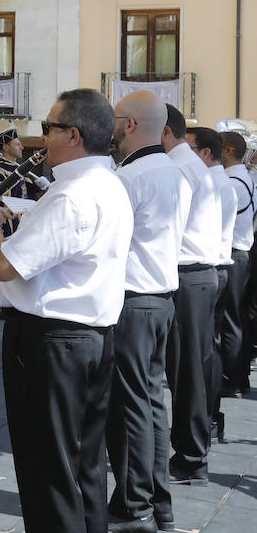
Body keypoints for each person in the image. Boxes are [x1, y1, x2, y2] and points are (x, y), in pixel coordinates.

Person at [0, 89, 131, 533]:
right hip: (88, 339)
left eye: (48, 128)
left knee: (48, 471)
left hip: (53, 344)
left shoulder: (71, 195)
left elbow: (1, 267)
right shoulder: (106, 184)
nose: (43, 139)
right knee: (83, 465)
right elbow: (29, 261)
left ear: (72, 135)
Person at [105, 90, 184, 533]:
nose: (112, 128)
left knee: (133, 407)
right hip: (160, 300)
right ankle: (158, 502)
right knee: (152, 403)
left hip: (135, 302)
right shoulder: (172, 171)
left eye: (116, 119)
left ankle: (135, 502)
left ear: (130, 125)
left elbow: (108, 240)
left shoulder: (131, 177)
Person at [161, 104, 223, 486]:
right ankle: (193, 450)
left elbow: (167, 227)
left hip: (189, 274)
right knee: (191, 368)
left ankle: (190, 456)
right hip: (198, 274)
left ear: (164, 131)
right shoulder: (190, 165)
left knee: (185, 371)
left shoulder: (181, 167)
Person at [188, 127, 237, 441]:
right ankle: (209, 418)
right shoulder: (219, 181)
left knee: (202, 355)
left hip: (211, 269)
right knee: (207, 351)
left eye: (190, 148)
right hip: (216, 268)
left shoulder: (215, 183)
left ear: (206, 153)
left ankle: (206, 419)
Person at [0, 128, 36, 321]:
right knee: (0, 261)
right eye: (16, 143)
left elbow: (29, 191)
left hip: (19, 221)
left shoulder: (17, 168)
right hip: (6, 221)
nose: (21, 146)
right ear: (5, 147)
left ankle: (6, 301)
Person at [218, 131, 254, 399]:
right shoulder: (243, 177)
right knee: (236, 318)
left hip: (233, 254)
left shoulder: (232, 182)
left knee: (230, 321)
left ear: (228, 150)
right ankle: (237, 376)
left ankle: (231, 378)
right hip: (240, 254)